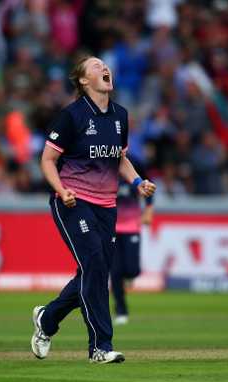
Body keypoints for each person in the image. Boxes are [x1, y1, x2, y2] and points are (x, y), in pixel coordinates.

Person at [31, 56, 156, 364]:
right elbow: (47, 160)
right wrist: (62, 190)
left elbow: (120, 159)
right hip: (73, 201)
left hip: (107, 206)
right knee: (96, 266)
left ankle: (47, 319)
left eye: (105, 65)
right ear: (84, 81)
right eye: (96, 65)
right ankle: (100, 347)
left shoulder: (120, 116)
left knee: (94, 271)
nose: (104, 68)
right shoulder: (71, 116)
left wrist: (138, 181)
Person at [111, 156, 154, 325]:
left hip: (131, 227)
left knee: (132, 270)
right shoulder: (106, 175)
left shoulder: (134, 174)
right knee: (115, 272)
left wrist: (149, 210)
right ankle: (121, 311)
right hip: (111, 230)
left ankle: (128, 276)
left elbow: (148, 190)